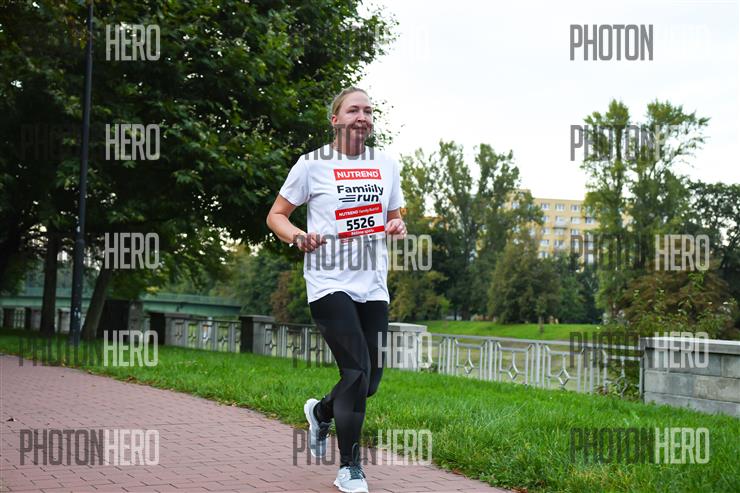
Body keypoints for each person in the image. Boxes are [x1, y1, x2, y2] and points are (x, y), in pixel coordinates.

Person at [266, 87, 406, 493]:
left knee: (370, 381)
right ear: (335, 119)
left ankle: (321, 411)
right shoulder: (311, 164)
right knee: (356, 371)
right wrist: (298, 236)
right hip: (328, 282)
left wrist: (398, 225)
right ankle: (350, 468)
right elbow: (276, 215)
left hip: (372, 285)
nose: (363, 117)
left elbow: (395, 217)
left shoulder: (386, 164)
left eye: (368, 111)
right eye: (353, 110)